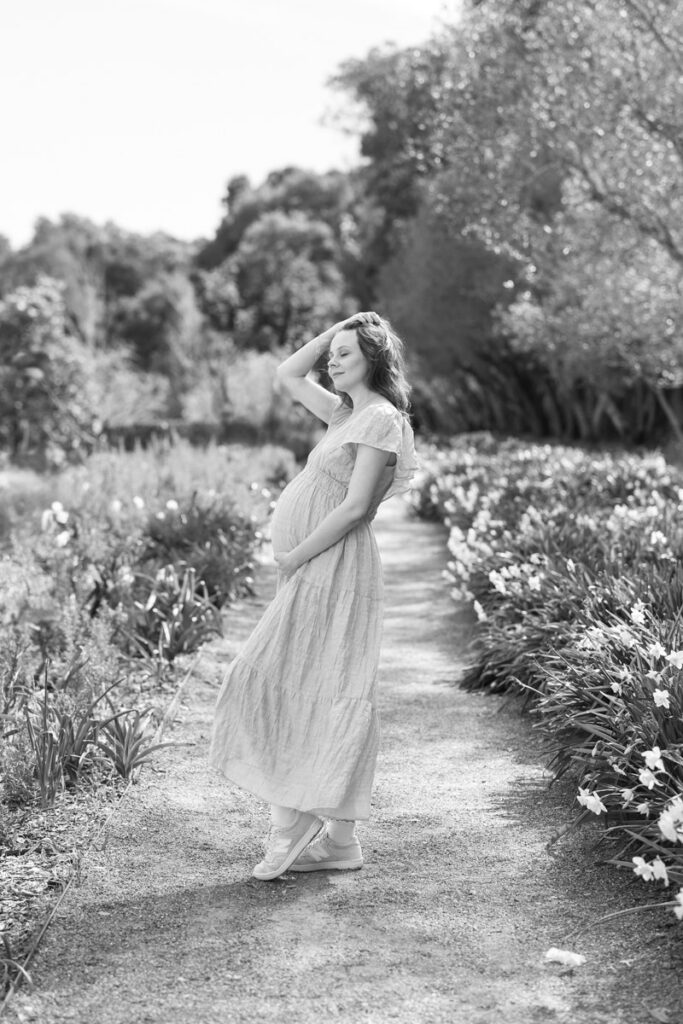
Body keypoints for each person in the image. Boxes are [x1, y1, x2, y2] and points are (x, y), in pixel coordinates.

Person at [209, 311, 418, 881]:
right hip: (315, 566)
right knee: (314, 682)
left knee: (285, 678)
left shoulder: (379, 418)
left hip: (330, 565)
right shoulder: (345, 412)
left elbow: (353, 507)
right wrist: (338, 330)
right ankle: (339, 842)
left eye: (347, 354)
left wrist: (296, 556)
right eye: (333, 353)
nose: (333, 361)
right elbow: (286, 374)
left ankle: (292, 826)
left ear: (375, 360)